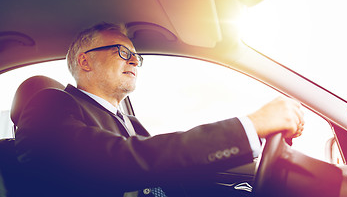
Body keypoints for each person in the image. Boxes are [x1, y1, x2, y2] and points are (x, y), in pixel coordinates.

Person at [15, 22, 304, 197]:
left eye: (137, 56)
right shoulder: (48, 104)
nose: (134, 62)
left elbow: (173, 175)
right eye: (123, 52)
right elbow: (118, 161)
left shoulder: (131, 122)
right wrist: (248, 127)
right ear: (85, 61)